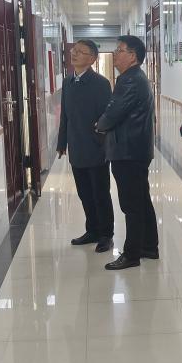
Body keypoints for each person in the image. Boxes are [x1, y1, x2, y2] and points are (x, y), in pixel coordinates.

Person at [96, 35, 158, 270]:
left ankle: (132, 254)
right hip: (135, 149)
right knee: (141, 200)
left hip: (128, 151)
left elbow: (114, 113)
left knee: (131, 204)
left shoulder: (130, 80)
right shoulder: (135, 77)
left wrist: (100, 125)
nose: (115, 54)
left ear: (132, 56)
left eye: (120, 50)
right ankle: (149, 246)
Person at [57, 40, 114, 253]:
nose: (74, 54)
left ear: (92, 59)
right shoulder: (68, 82)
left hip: (96, 148)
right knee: (84, 193)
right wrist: (62, 142)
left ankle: (106, 235)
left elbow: (106, 117)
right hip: (76, 146)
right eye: (74, 50)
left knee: (100, 193)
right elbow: (65, 116)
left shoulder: (101, 83)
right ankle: (92, 230)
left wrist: (103, 145)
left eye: (81, 52)